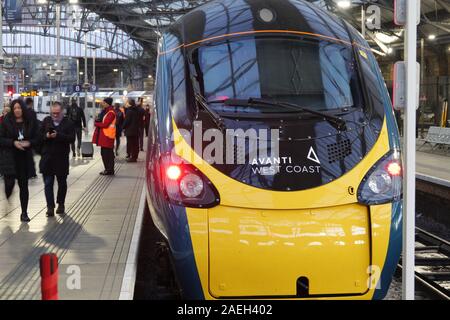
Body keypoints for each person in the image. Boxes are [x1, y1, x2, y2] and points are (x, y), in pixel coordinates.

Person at [0, 99, 38, 222]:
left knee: (24, 186)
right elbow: (1, 139)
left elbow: (37, 138)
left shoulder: (29, 122)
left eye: (19, 108)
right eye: (15, 108)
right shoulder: (6, 121)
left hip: (24, 158)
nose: (17, 110)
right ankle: (8, 197)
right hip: (10, 158)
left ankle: (24, 212)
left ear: (23, 109)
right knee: (9, 185)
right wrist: (13, 142)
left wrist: (29, 143)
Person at [39, 102, 75, 217]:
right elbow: (39, 136)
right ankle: (50, 206)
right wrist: (47, 136)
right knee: (48, 183)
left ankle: (61, 204)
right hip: (48, 158)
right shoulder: (46, 121)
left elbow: (72, 138)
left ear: (62, 112)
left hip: (61, 158)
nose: (55, 115)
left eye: (57, 113)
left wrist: (58, 135)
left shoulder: (68, 122)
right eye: (53, 113)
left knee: (62, 183)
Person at [93, 97, 116, 175]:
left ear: (107, 103)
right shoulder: (106, 112)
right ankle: (108, 169)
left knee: (108, 154)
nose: (102, 104)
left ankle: (109, 170)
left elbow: (105, 124)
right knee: (104, 153)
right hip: (104, 136)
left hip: (107, 136)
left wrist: (96, 124)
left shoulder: (111, 113)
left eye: (104, 102)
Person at [123, 98, 140, 163]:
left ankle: (133, 158)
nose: (126, 104)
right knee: (135, 144)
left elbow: (127, 121)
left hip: (130, 130)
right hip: (136, 130)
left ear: (129, 104)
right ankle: (135, 157)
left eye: (127, 103)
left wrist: (123, 127)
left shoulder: (129, 111)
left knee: (131, 144)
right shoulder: (136, 110)